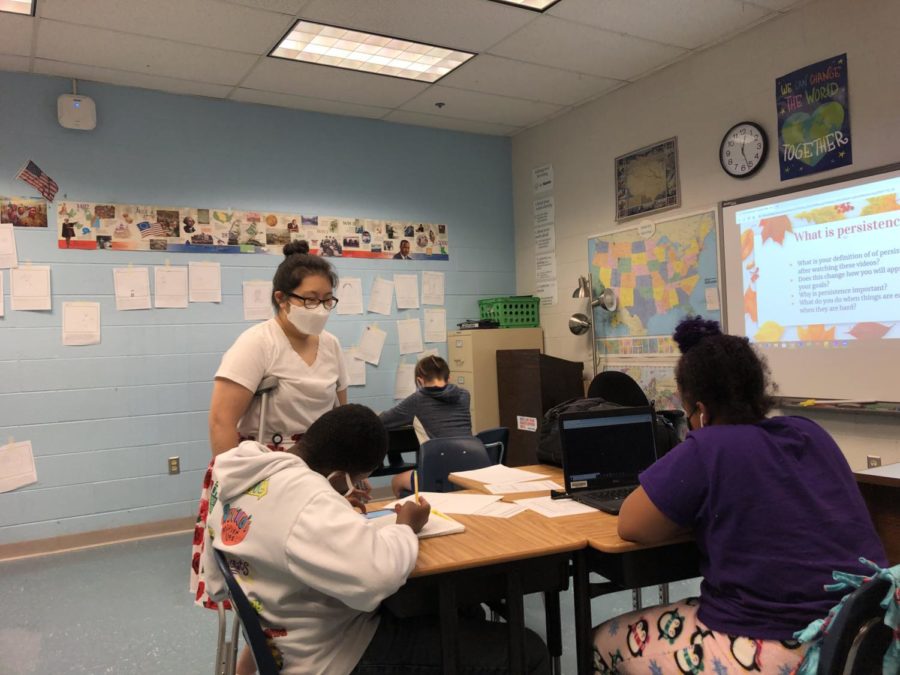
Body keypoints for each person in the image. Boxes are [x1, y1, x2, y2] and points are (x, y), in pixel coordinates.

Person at [591, 317, 887, 675]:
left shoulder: (709, 444)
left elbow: (632, 524)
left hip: (776, 642)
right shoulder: (809, 432)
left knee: (599, 642)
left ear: (699, 410)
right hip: (857, 633)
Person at [202, 404, 550, 675]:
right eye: (358, 481)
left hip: (288, 637)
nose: (357, 489)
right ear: (338, 477)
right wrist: (405, 527)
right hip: (334, 657)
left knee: (463, 609)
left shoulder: (246, 472)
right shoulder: (306, 501)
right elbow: (376, 578)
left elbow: (225, 578)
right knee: (528, 650)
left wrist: (334, 502)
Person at [192, 240, 353, 628]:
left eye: (328, 300)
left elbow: (341, 415)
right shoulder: (256, 343)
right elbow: (220, 420)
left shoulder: (331, 346)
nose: (320, 309)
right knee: (268, 589)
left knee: (320, 577)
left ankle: (317, 645)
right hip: (263, 471)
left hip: (317, 470)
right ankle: (265, 653)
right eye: (310, 299)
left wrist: (347, 474)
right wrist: (235, 484)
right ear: (282, 298)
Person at [379, 355, 472, 497]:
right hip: (470, 469)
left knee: (396, 481)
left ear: (419, 381)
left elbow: (383, 420)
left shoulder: (417, 400)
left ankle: (410, 516)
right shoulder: (464, 396)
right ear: (449, 378)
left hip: (439, 472)